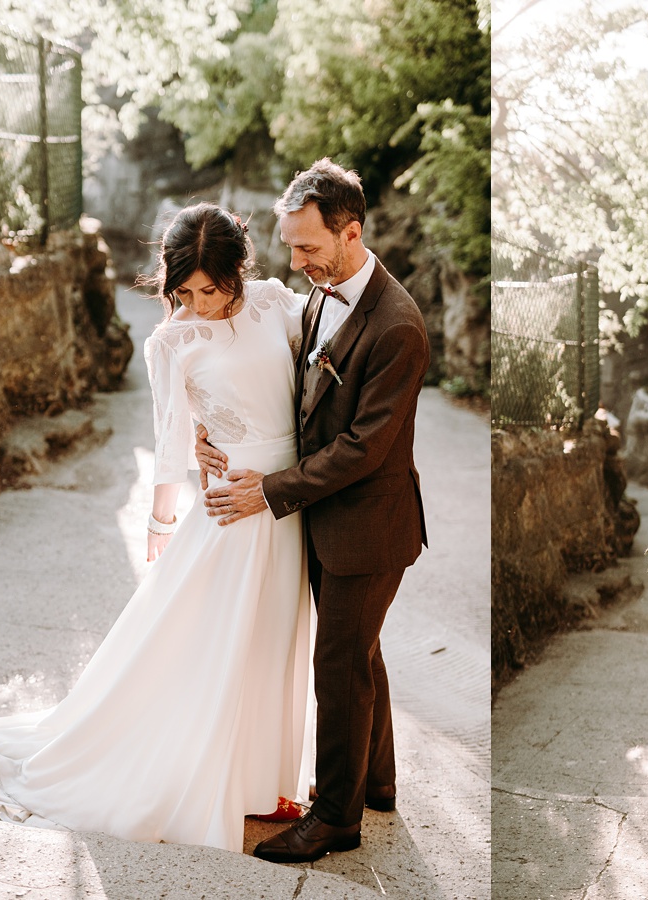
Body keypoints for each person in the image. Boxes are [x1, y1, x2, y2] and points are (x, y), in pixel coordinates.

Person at [0, 202, 315, 852]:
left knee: (275, 639)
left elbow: (309, 389)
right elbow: (172, 437)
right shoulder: (172, 341)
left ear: (240, 271)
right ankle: (209, 778)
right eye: (186, 291)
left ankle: (268, 781)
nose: (199, 302)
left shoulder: (278, 304)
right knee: (218, 647)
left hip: (285, 506)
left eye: (212, 287)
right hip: (228, 511)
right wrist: (162, 514)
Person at [195, 158, 430, 864]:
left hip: (369, 526)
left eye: (308, 248)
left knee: (339, 665)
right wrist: (218, 429)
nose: (296, 262)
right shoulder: (323, 293)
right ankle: (378, 782)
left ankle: (335, 819)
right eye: (291, 246)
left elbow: (361, 447)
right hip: (327, 521)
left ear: (351, 232)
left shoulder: (398, 326)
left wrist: (270, 491)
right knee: (360, 651)